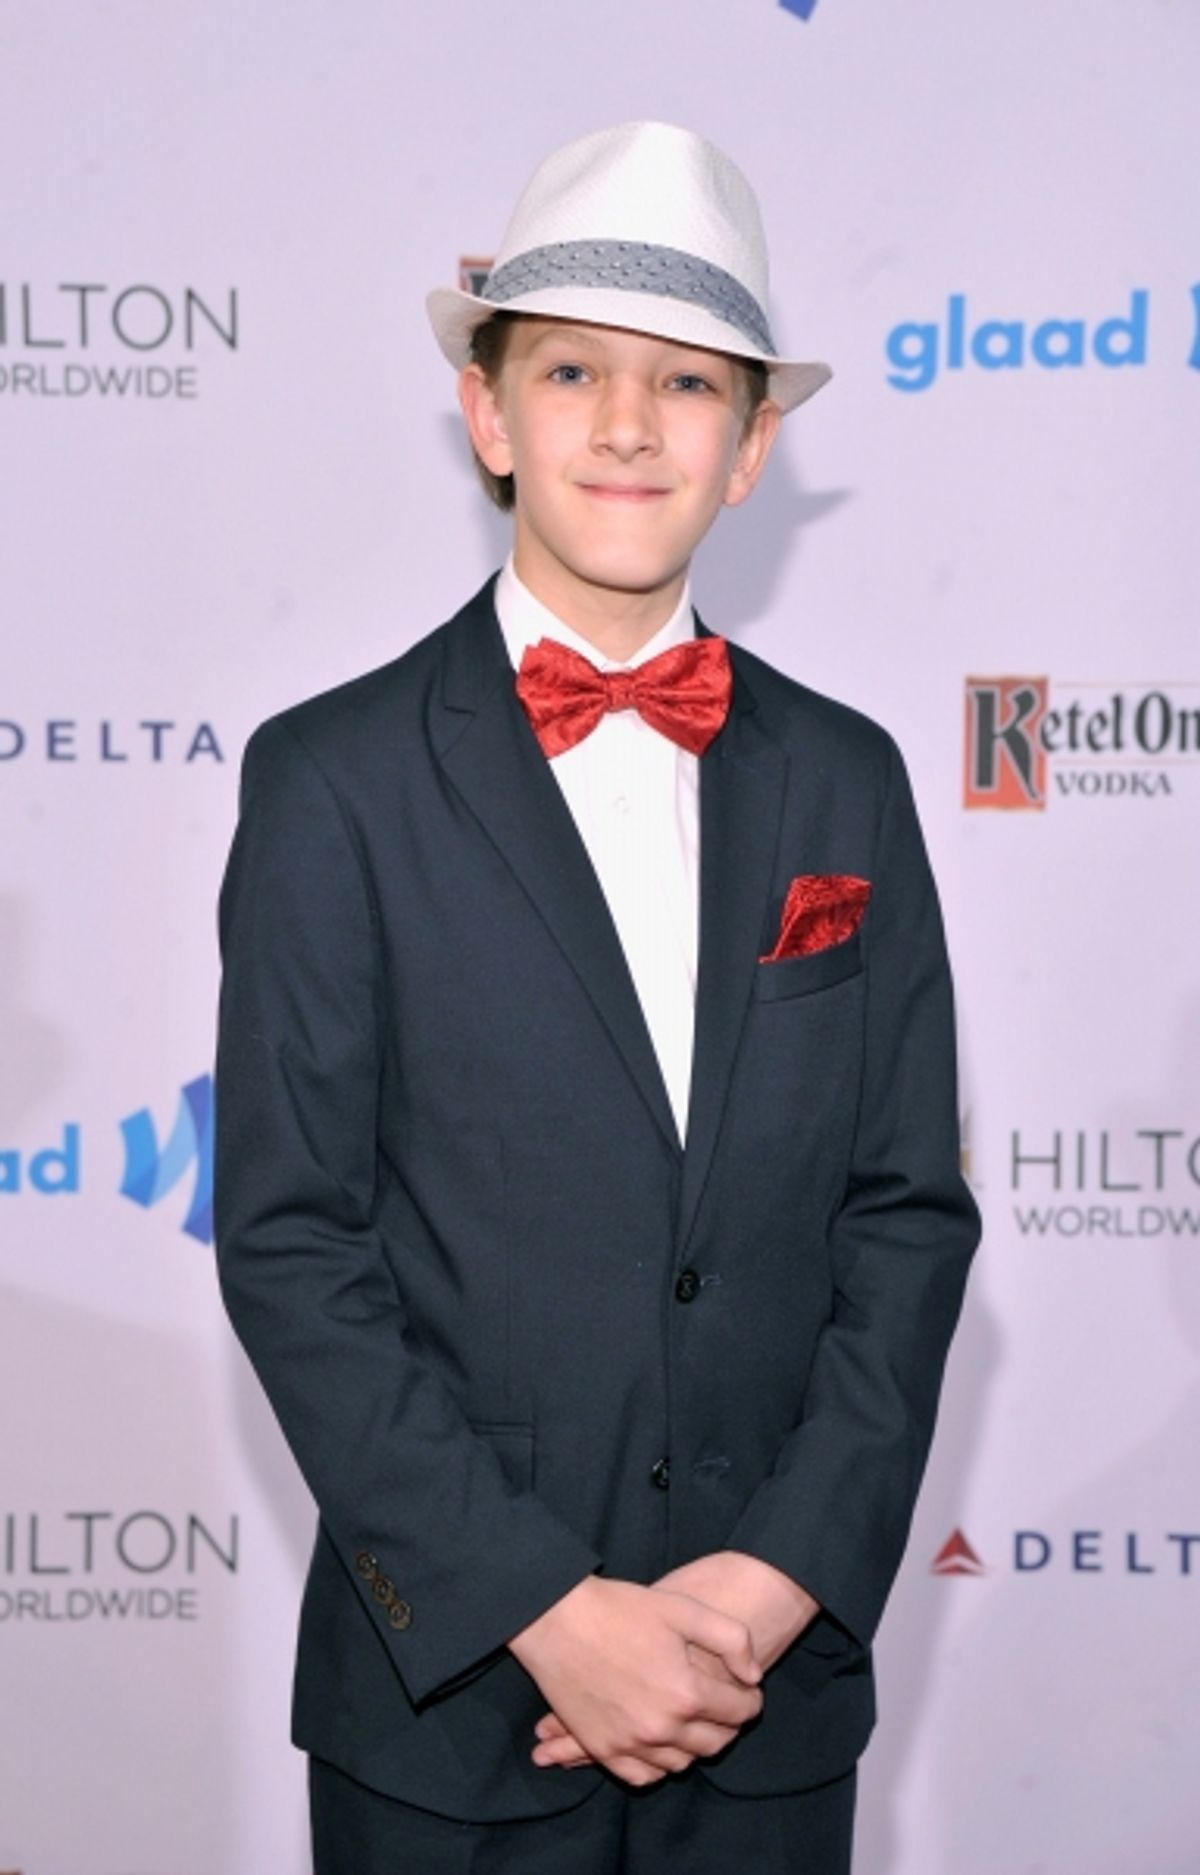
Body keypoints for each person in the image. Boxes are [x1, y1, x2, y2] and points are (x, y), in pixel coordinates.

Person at [214, 119, 979, 1875]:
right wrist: (546, 1605)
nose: (628, 424)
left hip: (761, 1695)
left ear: (752, 447)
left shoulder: (848, 782)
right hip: (454, 1708)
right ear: (488, 414)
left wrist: (775, 1581)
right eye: (571, 371)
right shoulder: (332, 778)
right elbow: (292, 1242)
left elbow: (907, 1218)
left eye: (689, 385)